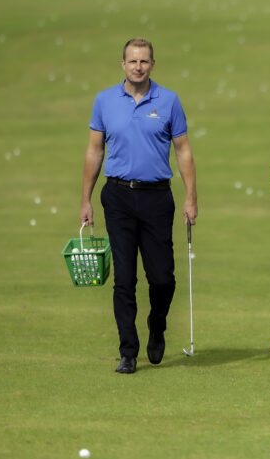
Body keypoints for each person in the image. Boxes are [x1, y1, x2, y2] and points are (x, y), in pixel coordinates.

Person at [79, 38, 198, 374]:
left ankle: (157, 326)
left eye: (144, 61)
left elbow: (183, 150)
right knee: (124, 278)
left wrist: (191, 197)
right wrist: (86, 199)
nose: (138, 67)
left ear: (152, 65)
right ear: (123, 64)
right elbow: (94, 151)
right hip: (117, 197)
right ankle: (128, 351)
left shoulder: (169, 100)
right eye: (132, 61)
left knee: (162, 279)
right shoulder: (104, 101)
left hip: (157, 198)